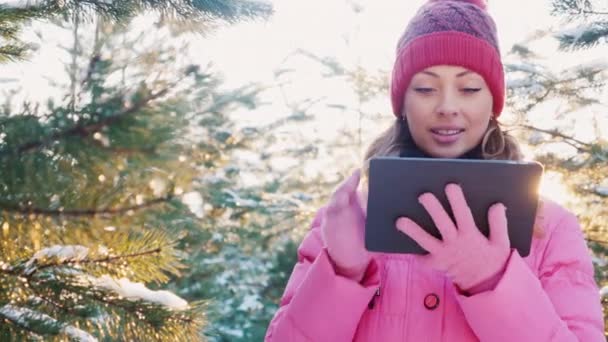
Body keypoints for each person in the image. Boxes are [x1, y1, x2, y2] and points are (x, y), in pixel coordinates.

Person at [264, 0, 605, 340]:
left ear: (492, 103)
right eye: (425, 88)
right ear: (402, 103)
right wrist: (342, 272)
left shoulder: (549, 228)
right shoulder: (349, 220)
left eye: (469, 88)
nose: (447, 107)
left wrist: (493, 281)